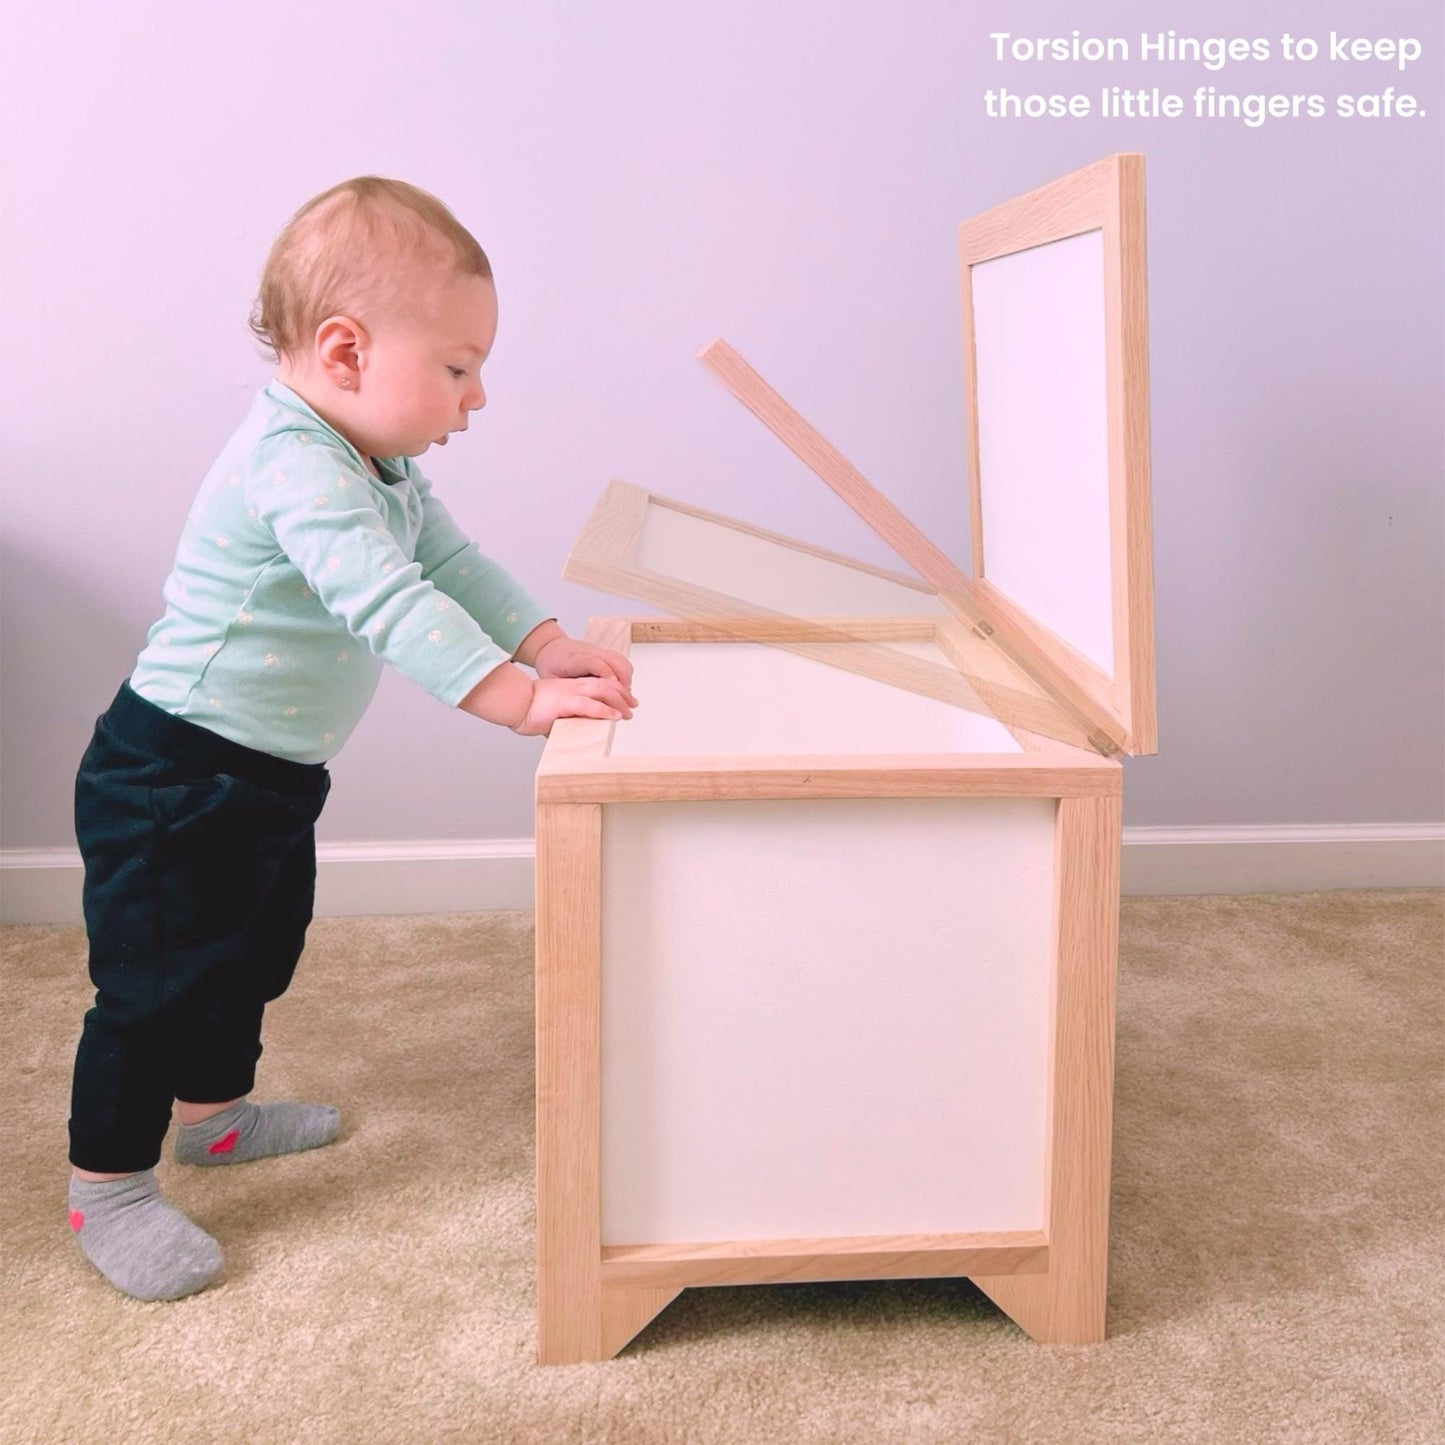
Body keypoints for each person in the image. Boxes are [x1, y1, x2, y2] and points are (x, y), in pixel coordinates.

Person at [65, 176, 637, 1301]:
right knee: (154, 985)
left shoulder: (381, 464)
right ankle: (110, 1185)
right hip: (171, 771)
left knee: (255, 950)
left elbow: (449, 563)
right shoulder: (293, 463)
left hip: (268, 776)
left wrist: (544, 639)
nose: (475, 397)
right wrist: (514, 701)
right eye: (459, 365)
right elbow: (387, 600)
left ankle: (213, 1117)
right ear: (343, 352)